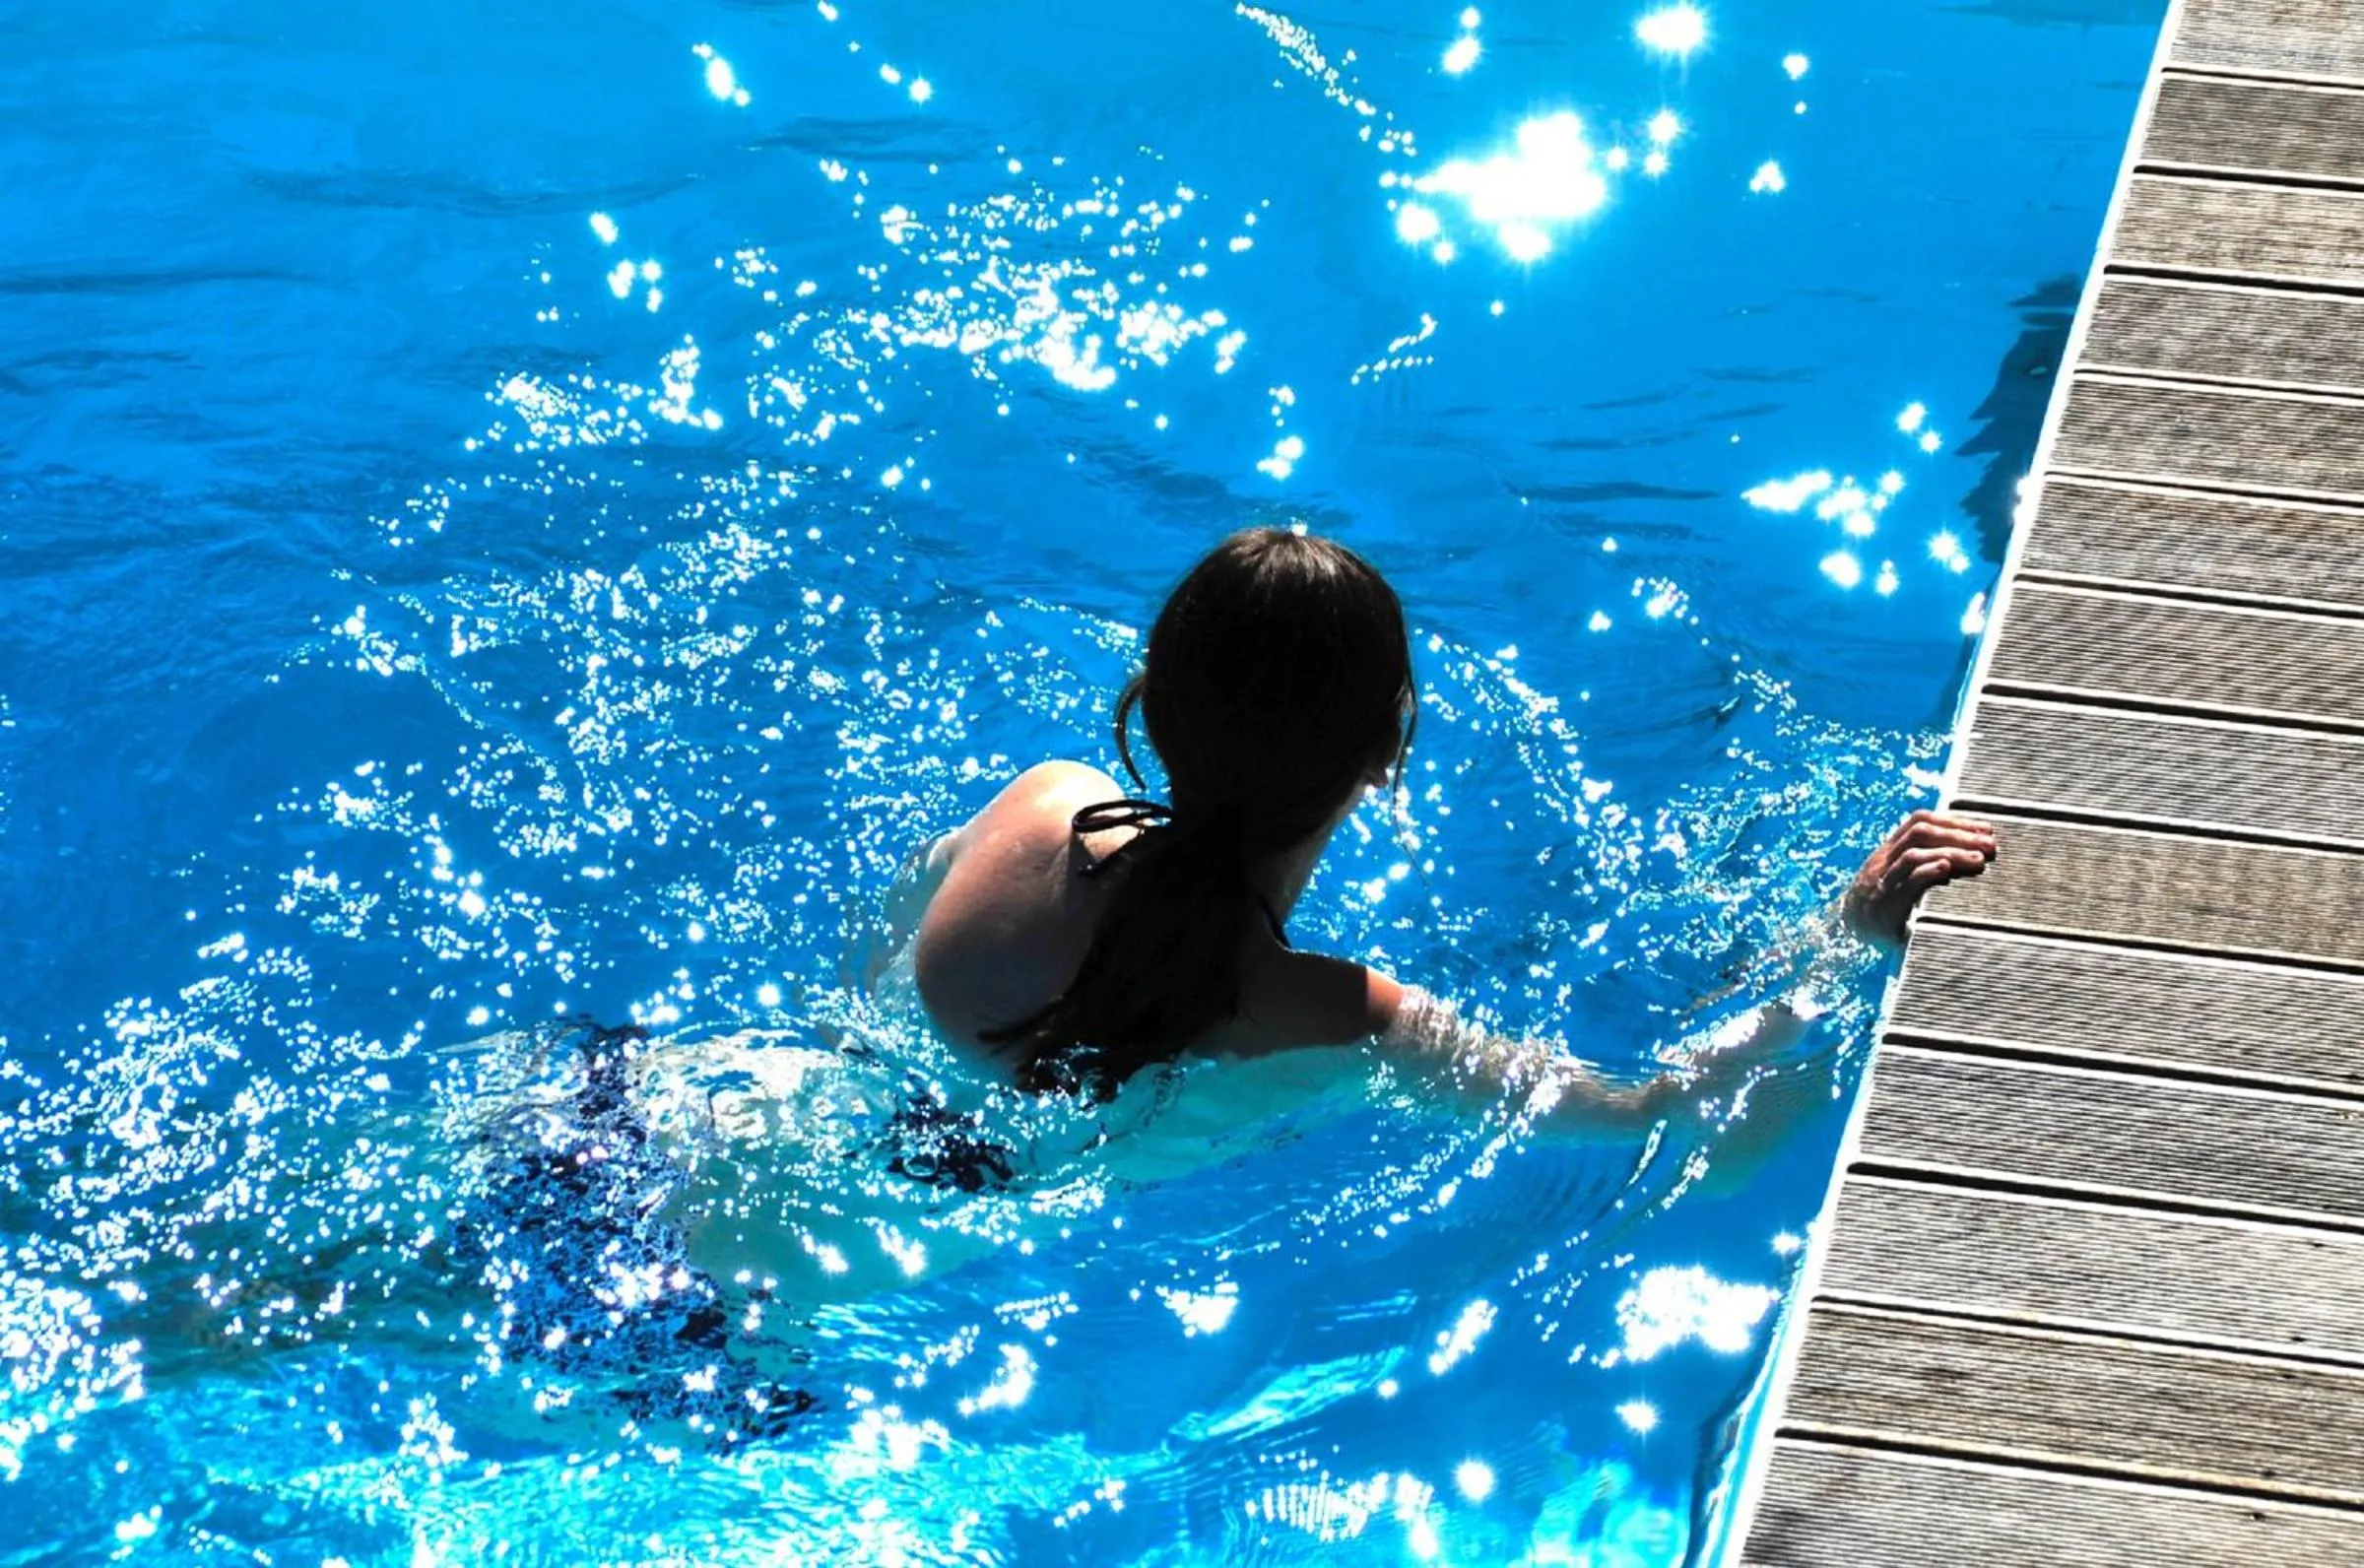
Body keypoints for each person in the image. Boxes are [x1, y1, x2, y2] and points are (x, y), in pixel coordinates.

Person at [909, 526, 1996, 1132]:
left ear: (1151, 706)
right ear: (1388, 752)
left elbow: (885, 945)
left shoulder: (1039, 805)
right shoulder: (1338, 1013)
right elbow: (1643, 1109)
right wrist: (1845, 939)